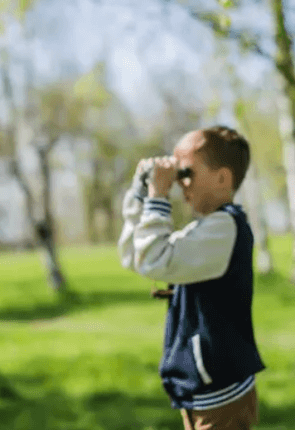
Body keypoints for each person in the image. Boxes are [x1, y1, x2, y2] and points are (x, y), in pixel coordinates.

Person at [118, 125, 266, 430]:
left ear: (222, 178)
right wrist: (141, 194)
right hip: (202, 389)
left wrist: (158, 196)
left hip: (220, 394)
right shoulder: (204, 230)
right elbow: (136, 255)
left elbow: (154, 259)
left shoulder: (225, 228)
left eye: (186, 173)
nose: (179, 183)